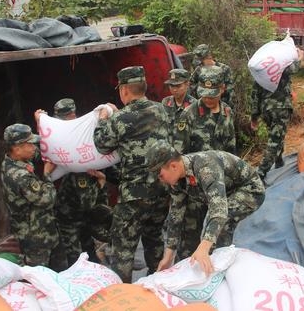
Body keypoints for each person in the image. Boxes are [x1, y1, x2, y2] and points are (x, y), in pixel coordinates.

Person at [93, 66, 170, 283]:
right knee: (155, 240)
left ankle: (124, 297)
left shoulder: (120, 119)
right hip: (162, 190)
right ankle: (158, 288)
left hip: (134, 195)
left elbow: (102, 145)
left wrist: (102, 119)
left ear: (125, 90)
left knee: (123, 249)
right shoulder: (161, 110)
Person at [148, 141, 265, 275]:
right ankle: (209, 264)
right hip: (224, 192)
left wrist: (204, 247)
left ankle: (220, 270)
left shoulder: (205, 168)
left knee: (218, 226)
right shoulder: (176, 179)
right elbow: (176, 215)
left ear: (173, 166)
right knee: (199, 229)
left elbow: (219, 210)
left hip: (249, 190)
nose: (160, 180)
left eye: (160, 175)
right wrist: (168, 255)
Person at [172, 65, 236, 260]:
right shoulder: (188, 115)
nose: (207, 99)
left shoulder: (227, 112)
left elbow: (231, 149)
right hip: (195, 190)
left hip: (219, 187)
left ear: (222, 89)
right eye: (204, 94)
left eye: (212, 94)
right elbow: (178, 155)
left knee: (219, 238)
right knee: (190, 240)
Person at [51, 98, 112, 265]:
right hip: (69, 216)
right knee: (76, 258)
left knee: (89, 253)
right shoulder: (65, 141)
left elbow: (91, 206)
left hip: (81, 214)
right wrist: (101, 182)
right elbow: (89, 203)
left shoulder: (81, 137)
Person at [0, 123, 65, 269]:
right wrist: (47, 175)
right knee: (43, 278)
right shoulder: (20, 176)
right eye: (30, 144)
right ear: (17, 148)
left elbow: (37, 153)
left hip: (44, 230)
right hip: (36, 239)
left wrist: (40, 122)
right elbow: (48, 199)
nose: (34, 147)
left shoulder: (12, 160)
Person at [250, 49, 304, 181]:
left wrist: (254, 117)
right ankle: (260, 173)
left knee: (275, 136)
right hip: (280, 109)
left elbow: (255, 95)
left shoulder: (261, 70)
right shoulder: (281, 66)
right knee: (274, 141)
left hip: (266, 110)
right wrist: (301, 56)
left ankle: (279, 160)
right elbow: (294, 68)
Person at [162, 68, 196, 141]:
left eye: (178, 86)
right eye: (171, 86)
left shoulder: (194, 105)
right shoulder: (165, 102)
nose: (174, 89)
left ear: (187, 84)